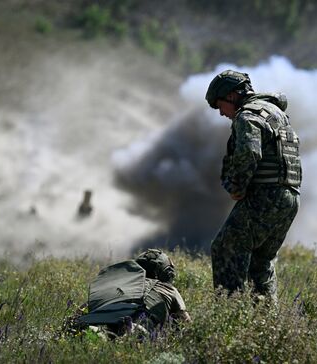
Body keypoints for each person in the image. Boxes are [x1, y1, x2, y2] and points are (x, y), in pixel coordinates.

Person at [205, 70, 301, 304]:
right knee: (260, 261)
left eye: (220, 105)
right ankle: (266, 322)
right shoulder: (276, 114)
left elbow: (249, 152)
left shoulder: (247, 116)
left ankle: (230, 315)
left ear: (231, 96)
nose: (221, 113)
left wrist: (237, 187)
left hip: (265, 197)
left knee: (225, 248)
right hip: (290, 198)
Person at [63, 249, 190, 339]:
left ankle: (97, 332)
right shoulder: (169, 289)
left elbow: (86, 308)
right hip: (140, 322)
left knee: (100, 332)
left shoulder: (122, 283)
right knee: (136, 333)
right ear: (167, 273)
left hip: (105, 315)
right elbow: (186, 323)